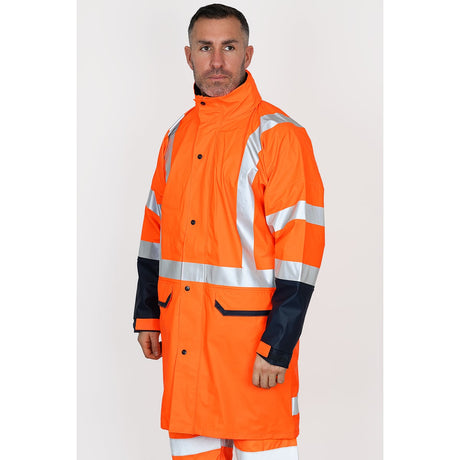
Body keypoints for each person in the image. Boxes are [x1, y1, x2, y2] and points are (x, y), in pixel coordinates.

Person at [133, 4, 325, 459]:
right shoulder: (176, 137)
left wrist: (277, 346)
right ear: (188, 56)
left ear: (248, 54)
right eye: (205, 48)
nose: (217, 61)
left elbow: (300, 252)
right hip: (185, 349)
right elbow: (154, 232)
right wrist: (148, 315)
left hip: (252, 355)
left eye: (229, 47)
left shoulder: (279, 136)